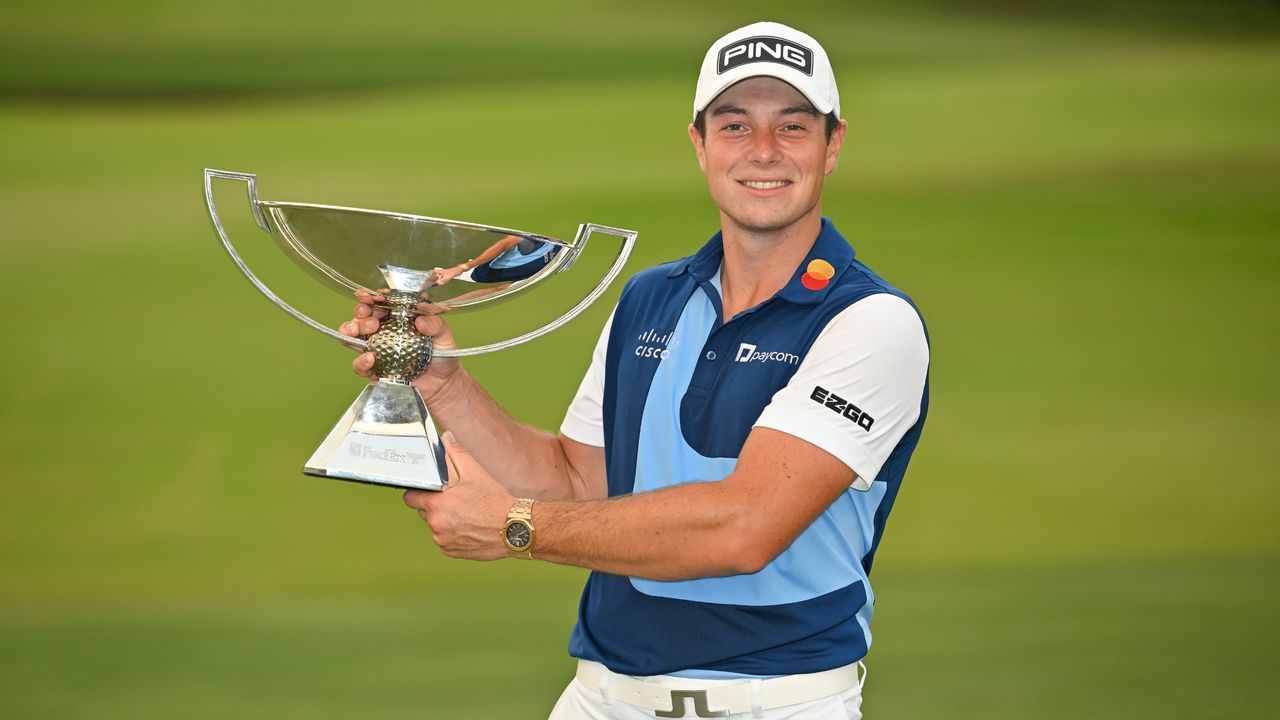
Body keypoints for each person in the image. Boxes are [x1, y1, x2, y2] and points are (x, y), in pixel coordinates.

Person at [339, 21, 929, 720]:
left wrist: (514, 527)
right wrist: (444, 382)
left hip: (775, 701)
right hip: (601, 696)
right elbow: (579, 483)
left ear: (833, 145)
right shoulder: (652, 299)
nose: (763, 151)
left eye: (793, 127)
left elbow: (744, 530)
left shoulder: (872, 322)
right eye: (735, 125)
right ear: (699, 144)